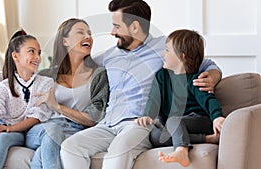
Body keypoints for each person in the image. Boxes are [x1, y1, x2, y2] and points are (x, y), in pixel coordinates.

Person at [61, 0, 222, 169]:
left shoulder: (165, 47)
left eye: (117, 26)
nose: (112, 32)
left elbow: (207, 64)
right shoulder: (109, 55)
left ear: (135, 27)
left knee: (117, 152)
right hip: (108, 124)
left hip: (139, 124)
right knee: (70, 147)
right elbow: (78, 68)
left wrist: (211, 77)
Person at [25, 18, 109, 169]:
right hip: (43, 129)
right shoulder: (46, 75)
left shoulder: (98, 75)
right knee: (52, 132)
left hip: (75, 131)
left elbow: (94, 118)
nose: (88, 36)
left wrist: (57, 106)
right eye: (80, 32)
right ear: (65, 41)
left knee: (41, 156)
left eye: (89, 33)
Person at [136, 29, 226, 167]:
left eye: (167, 50)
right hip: (174, 125)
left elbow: (209, 100)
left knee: (173, 121)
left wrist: (217, 117)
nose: (162, 54)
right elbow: (154, 98)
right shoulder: (161, 76)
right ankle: (207, 139)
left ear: (181, 57)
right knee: (155, 136)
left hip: (198, 120)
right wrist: (148, 115)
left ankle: (181, 151)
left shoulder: (195, 80)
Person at [0, 30, 54, 169]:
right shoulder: (5, 85)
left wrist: (10, 128)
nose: (37, 57)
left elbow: (37, 116)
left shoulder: (45, 83)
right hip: (0, 126)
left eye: (38, 52)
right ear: (16, 56)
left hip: (19, 131)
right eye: (31, 51)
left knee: (2, 139)